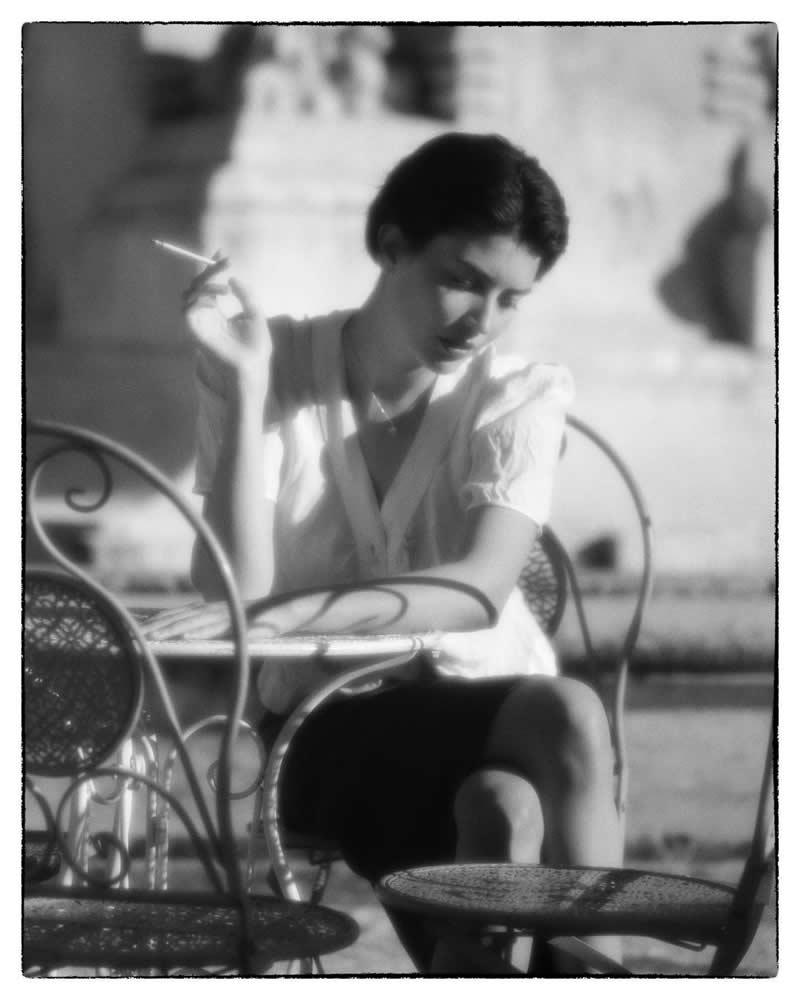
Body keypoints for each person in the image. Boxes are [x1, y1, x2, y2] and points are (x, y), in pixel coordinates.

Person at [144, 132, 622, 974]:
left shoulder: (519, 393)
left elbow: (479, 592)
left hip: (489, 720)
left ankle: (545, 970)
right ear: (391, 244)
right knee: (568, 713)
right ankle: (595, 974)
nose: (484, 320)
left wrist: (294, 612)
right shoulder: (270, 361)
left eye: (512, 297)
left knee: (503, 803)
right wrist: (250, 386)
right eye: (463, 281)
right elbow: (236, 585)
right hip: (319, 733)